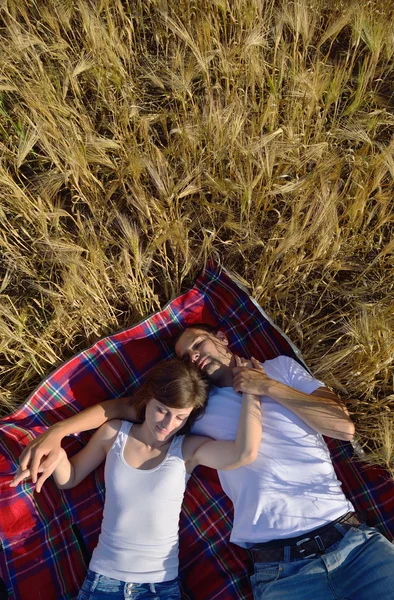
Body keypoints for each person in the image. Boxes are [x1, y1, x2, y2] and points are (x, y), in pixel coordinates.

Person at [12, 325, 394, 599]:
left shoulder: (282, 369)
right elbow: (129, 408)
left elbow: (342, 427)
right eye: (186, 356)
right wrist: (57, 432)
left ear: (222, 337)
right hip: (280, 567)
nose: (194, 356)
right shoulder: (195, 403)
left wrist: (263, 387)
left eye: (196, 343)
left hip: (352, 542)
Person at [11, 356, 263, 600]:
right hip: (103, 582)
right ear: (147, 400)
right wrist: (57, 454)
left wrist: (252, 392)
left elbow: (243, 453)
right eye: (161, 410)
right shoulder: (114, 433)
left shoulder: (187, 449)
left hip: (159, 588)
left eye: (180, 417)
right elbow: (71, 478)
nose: (168, 424)